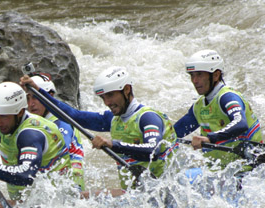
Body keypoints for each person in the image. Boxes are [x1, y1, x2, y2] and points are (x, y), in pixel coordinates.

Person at [22, 66, 177, 193]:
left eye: (110, 95)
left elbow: (153, 150)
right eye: (103, 97)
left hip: (167, 190)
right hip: (141, 194)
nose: (107, 102)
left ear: (127, 90)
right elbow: (73, 115)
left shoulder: (148, 118)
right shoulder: (112, 119)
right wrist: (39, 92)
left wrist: (112, 144)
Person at [174, 49, 262, 170]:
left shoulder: (228, 97)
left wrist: (210, 138)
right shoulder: (198, 106)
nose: (195, 81)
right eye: (192, 75)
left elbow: (241, 123)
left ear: (215, 75)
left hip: (249, 168)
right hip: (219, 172)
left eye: (199, 74)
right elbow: (173, 133)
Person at [25, 73, 86, 190]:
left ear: (50, 96)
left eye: (35, 97)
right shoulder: (34, 122)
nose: (31, 104)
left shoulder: (62, 121)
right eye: (28, 98)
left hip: (71, 187)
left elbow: (60, 147)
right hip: (50, 187)